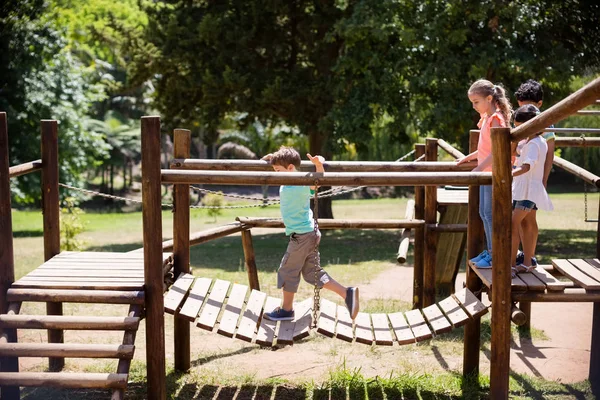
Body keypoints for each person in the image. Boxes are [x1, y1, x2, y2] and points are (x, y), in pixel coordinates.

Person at [260, 146, 359, 321]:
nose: (276, 174)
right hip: (307, 234)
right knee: (312, 273)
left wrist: (319, 164)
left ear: (291, 168)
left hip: (302, 236)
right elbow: (278, 162)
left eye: (278, 170)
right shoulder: (286, 180)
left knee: (288, 270)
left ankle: (287, 310)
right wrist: (272, 158)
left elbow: (318, 180)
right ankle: (347, 293)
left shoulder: (301, 183)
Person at [457, 79, 513, 268]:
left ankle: (495, 253)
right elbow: (485, 148)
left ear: (489, 98)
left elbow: (498, 150)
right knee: (483, 213)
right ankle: (490, 251)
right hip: (485, 173)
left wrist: (480, 168)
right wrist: (469, 158)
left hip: (492, 174)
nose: (474, 106)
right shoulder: (487, 118)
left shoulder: (496, 119)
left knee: (489, 214)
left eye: (476, 102)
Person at [513, 79, 555, 266]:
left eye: (529, 106)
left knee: (526, 218)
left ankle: (528, 256)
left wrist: (544, 181)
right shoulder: (522, 122)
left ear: (539, 105)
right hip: (522, 182)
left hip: (533, 180)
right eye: (522, 106)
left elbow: (549, 156)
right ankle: (524, 256)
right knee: (522, 219)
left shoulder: (544, 128)